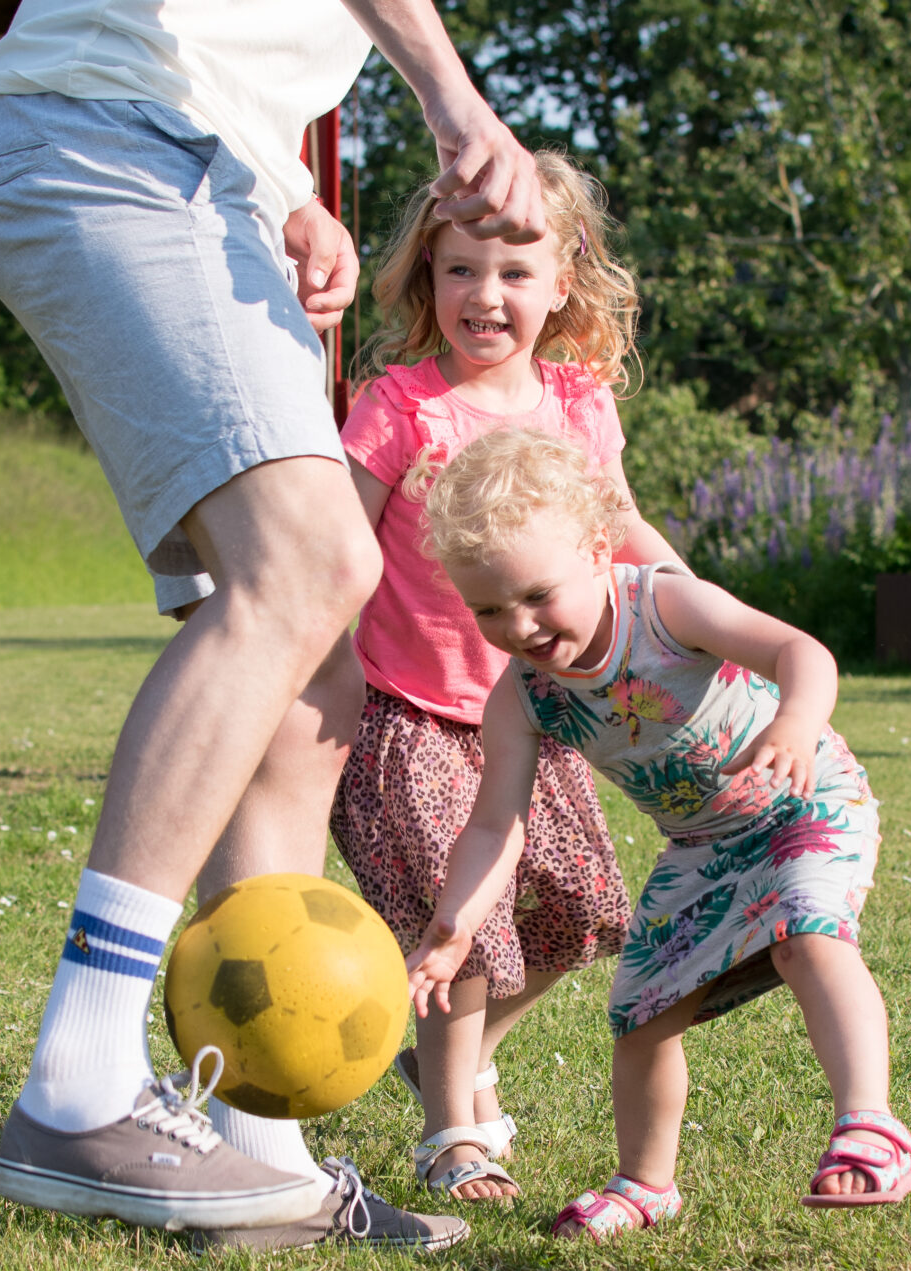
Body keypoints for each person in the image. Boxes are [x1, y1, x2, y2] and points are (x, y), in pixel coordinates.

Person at [0, 0, 548, 1244]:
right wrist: (450, 93)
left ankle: (255, 1146)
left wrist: (284, 189)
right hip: (108, 139)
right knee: (309, 561)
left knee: (310, 679)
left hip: (199, 171)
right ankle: (78, 1081)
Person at [406, 428, 911, 1240]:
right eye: (489, 609)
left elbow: (800, 650)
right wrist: (454, 925)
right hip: (701, 848)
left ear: (598, 549)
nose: (521, 625)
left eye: (537, 593)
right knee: (642, 1015)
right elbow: (495, 821)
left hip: (802, 803)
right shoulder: (524, 698)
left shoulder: (666, 603)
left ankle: (871, 1126)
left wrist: (794, 723)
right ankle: (646, 1185)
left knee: (807, 936)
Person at [329, 154, 679, 1205]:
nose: (485, 296)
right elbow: (336, 547)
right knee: (463, 924)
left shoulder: (577, 405)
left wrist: (695, 606)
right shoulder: (403, 407)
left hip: (530, 719)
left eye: (514, 273)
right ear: (425, 279)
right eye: (460, 271)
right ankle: (451, 1136)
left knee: (581, 913)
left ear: (563, 280)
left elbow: (617, 532)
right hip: (412, 714)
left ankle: (451, 1058)